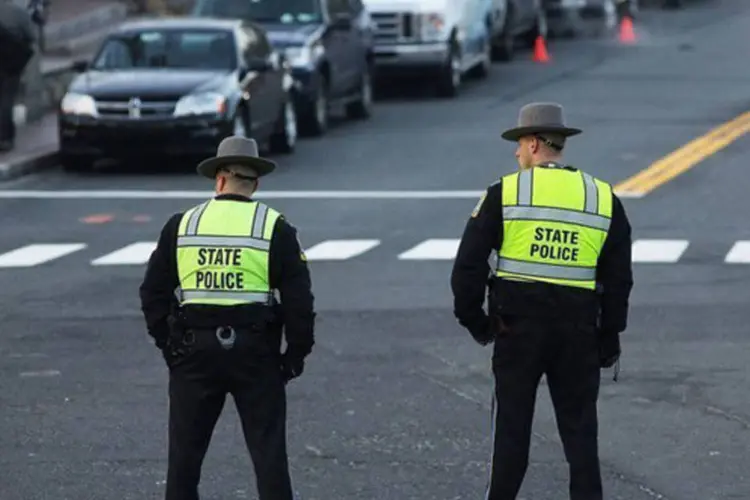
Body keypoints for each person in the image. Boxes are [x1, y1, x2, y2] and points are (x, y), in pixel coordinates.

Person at [450, 102, 633, 500]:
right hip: (579, 332)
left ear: (533, 144)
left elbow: (467, 267)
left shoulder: (506, 192)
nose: (515, 154)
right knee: (581, 434)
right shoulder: (601, 196)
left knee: (511, 435)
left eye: (518, 145)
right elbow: (619, 278)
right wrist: (609, 336)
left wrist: (478, 323)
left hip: (517, 330)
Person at [139, 136, 316, 500]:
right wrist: (294, 357)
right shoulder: (274, 227)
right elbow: (300, 303)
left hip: (193, 352)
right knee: (268, 457)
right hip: (256, 351)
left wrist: (169, 346)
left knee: (185, 460)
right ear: (256, 184)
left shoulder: (183, 224)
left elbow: (153, 293)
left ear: (218, 179)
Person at [0, 0, 36, 152]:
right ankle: (4, 138)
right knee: (6, 100)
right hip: (11, 64)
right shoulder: (18, 12)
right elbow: (31, 36)